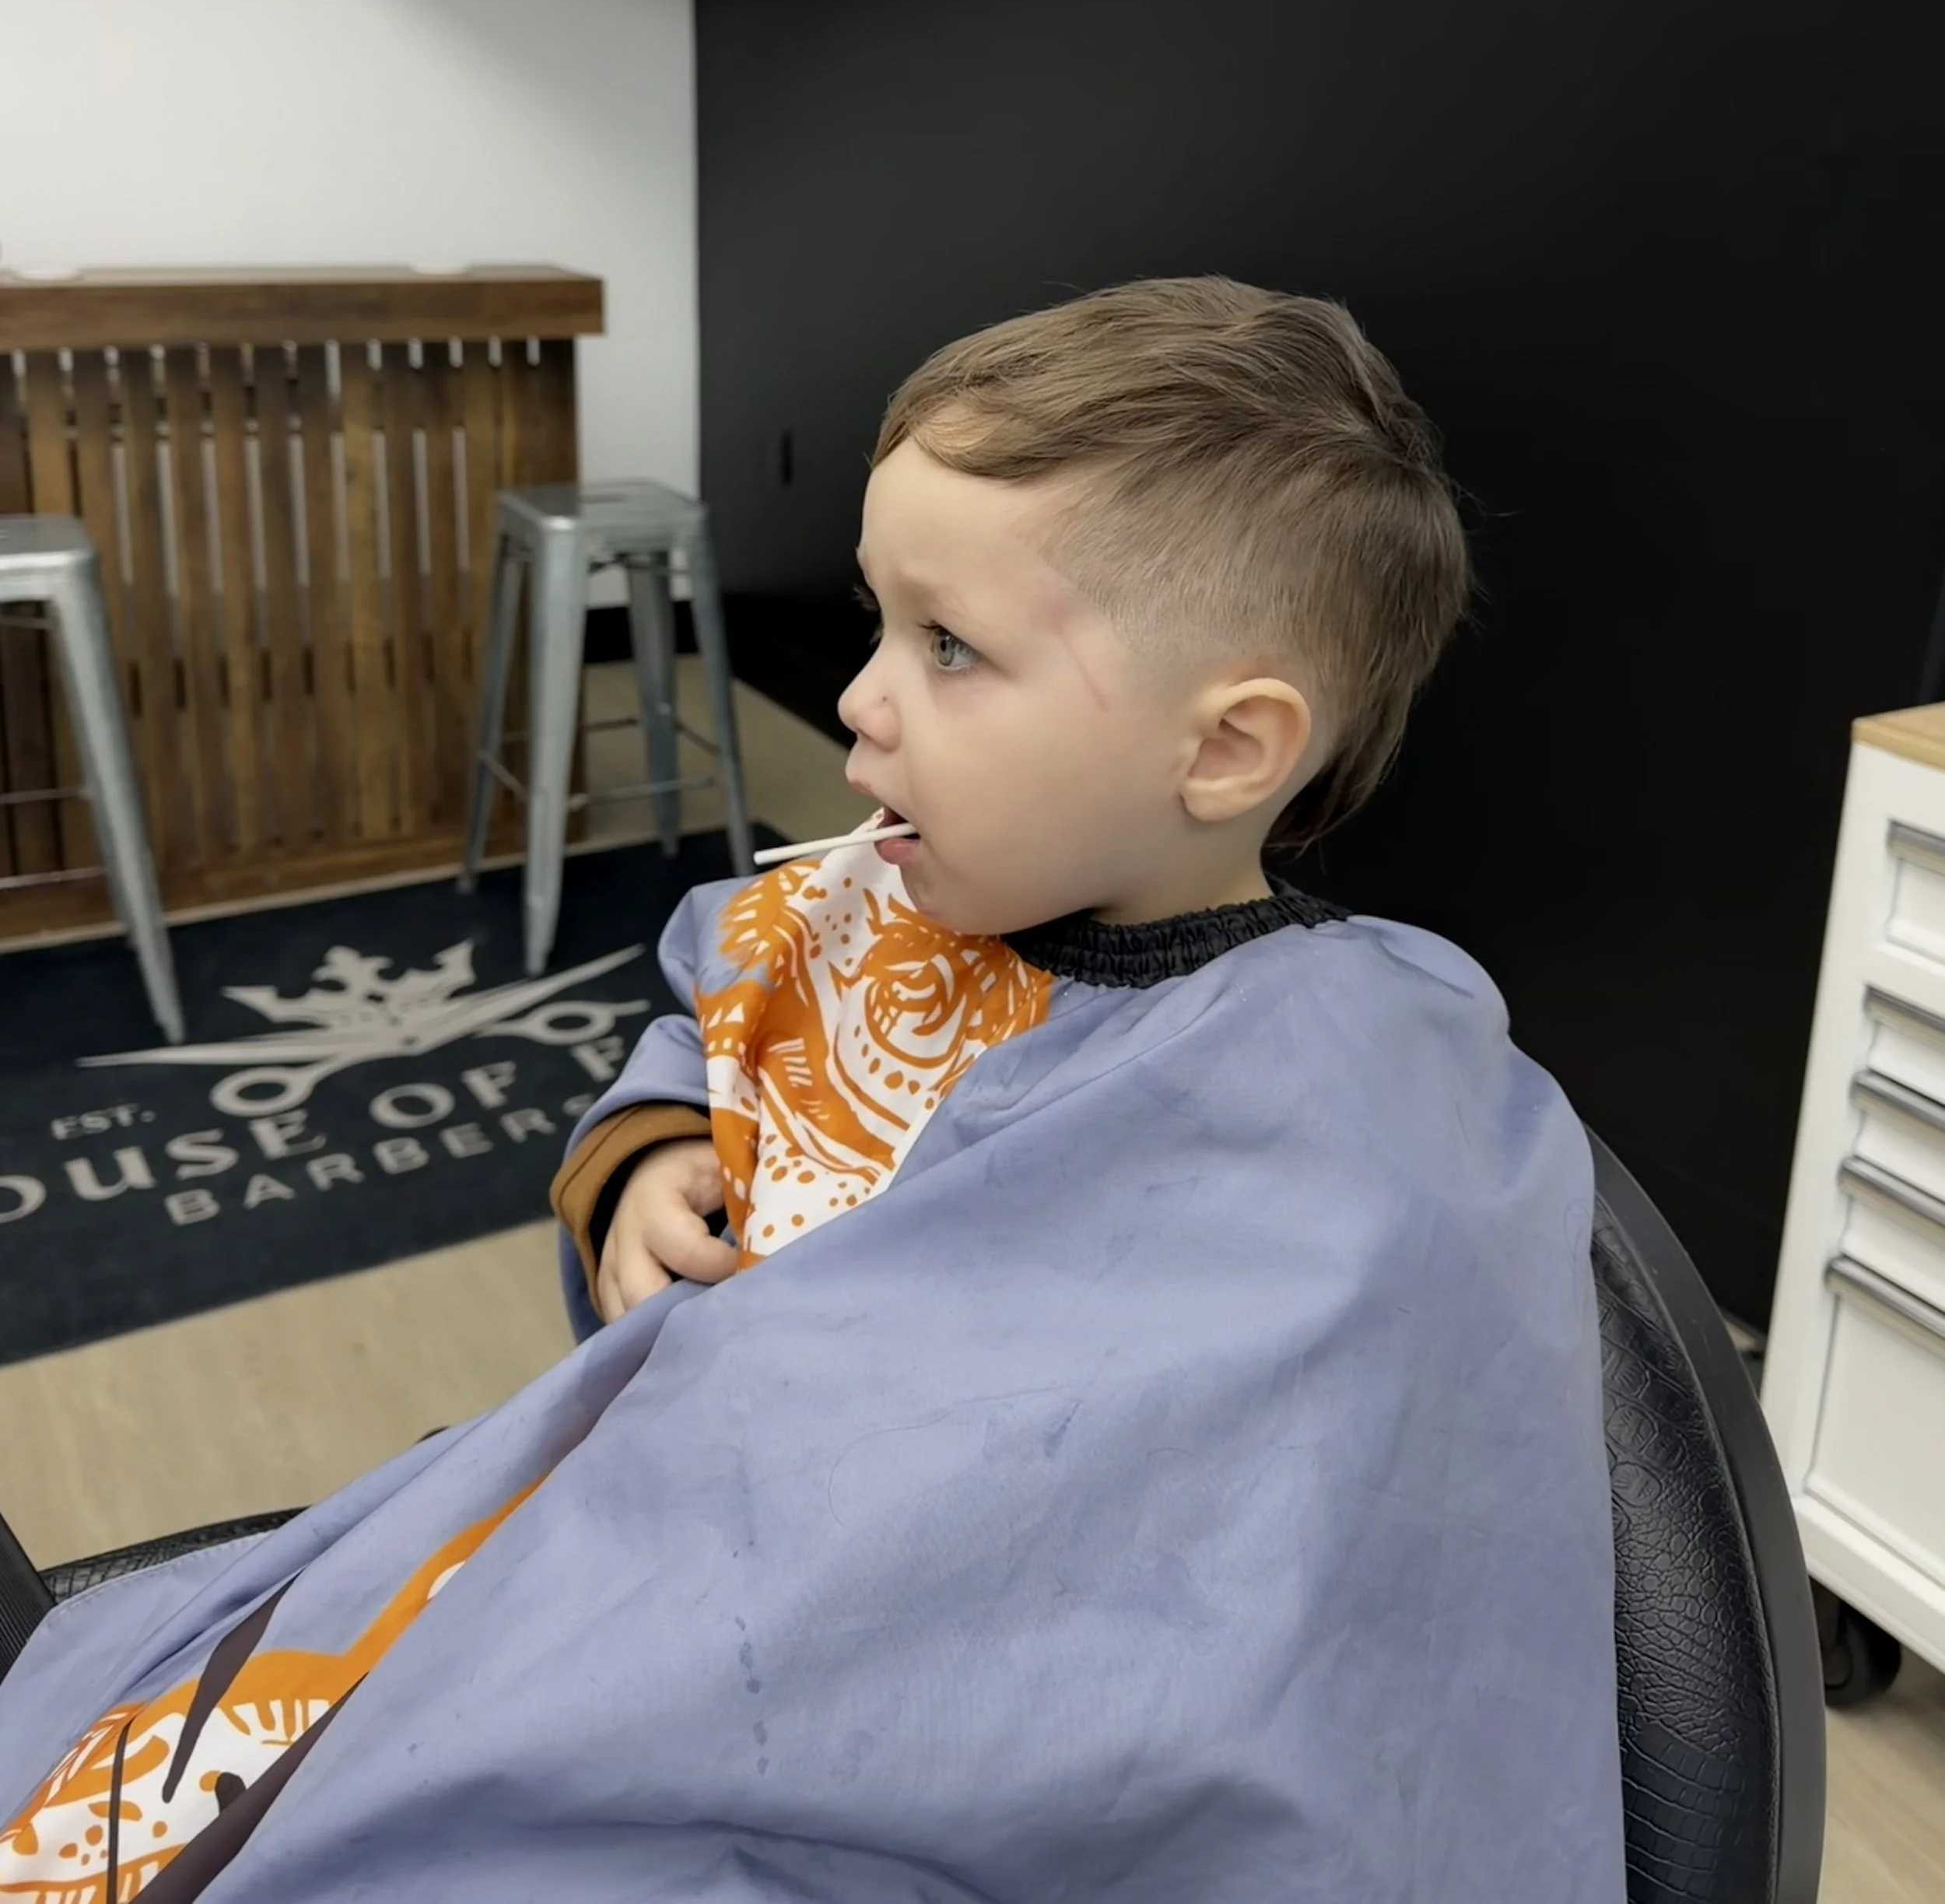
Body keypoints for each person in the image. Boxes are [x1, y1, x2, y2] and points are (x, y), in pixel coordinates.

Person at [0, 279, 1626, 1902]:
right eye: (876, 621)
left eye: (947, 647)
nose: (857, 695)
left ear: (1222, 751)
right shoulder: (870, 900)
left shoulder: (1365, 1104)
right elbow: (704, 1014)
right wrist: (638, 1164)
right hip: (660, 1549)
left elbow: (1347, 1584)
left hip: (906, 1692)